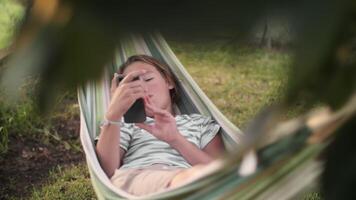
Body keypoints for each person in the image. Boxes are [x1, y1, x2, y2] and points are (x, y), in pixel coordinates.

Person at [96, 55, 225, 196]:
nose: (142, 88)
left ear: (169, 82)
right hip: (138, 177)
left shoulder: (200, 123)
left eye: (148, 79)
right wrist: (114, 114)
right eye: (132, 85)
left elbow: (220, 171)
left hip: (191, 178)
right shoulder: (122, 123)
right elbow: (106, 172)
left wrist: (175, 139)